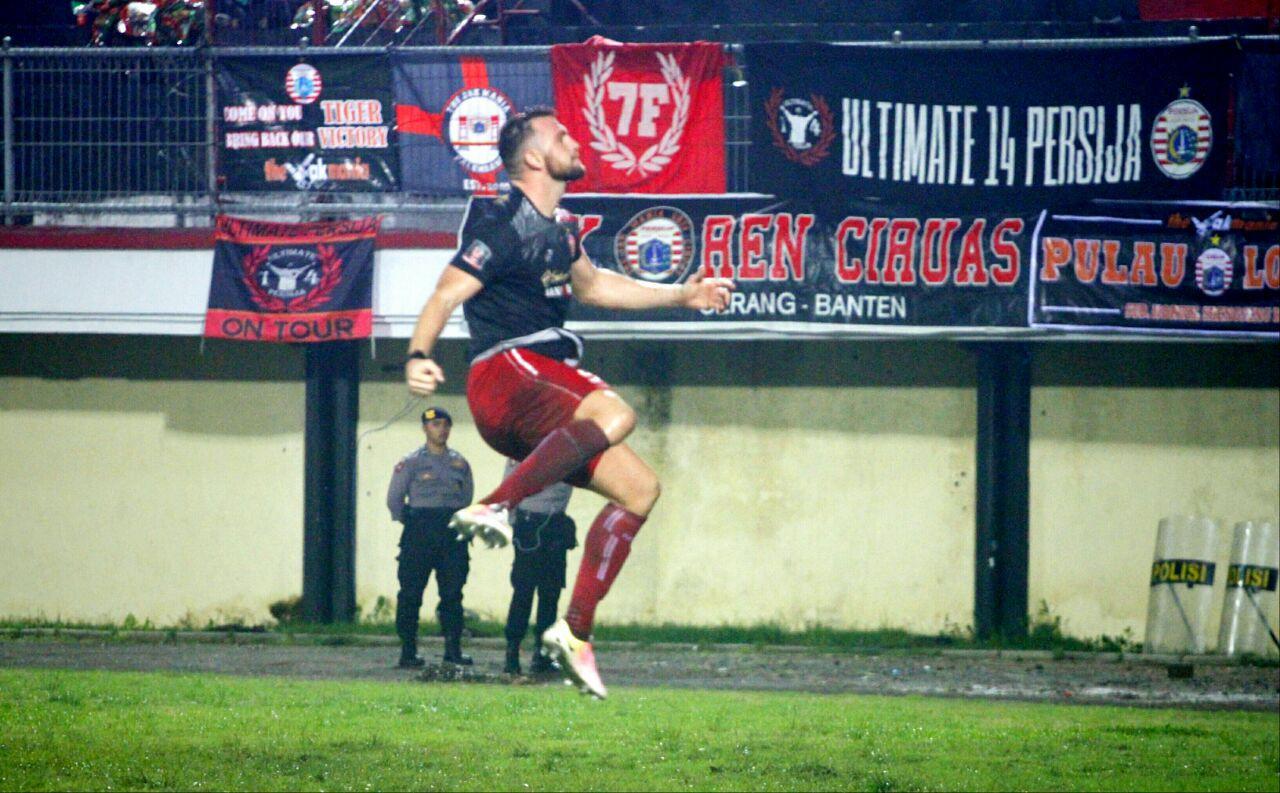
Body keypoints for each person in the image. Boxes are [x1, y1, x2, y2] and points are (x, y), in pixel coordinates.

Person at [403, 106, 734, 698]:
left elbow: (597, 285)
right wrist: (418, 354)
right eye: (561, 136)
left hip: (539, 388)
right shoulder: (503, 222)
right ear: (533, 158)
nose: (575, 140)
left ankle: (574, 633)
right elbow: (445, 293)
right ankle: (496, 506)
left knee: (640, 491)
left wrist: (684, 294)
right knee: (616, 412)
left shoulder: (562, 228)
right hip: (506, 370)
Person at [385, 407, 475, 669]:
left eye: (446, 424)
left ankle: (453, 651)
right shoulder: (411, 462)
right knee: (411, 594)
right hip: (419, 533)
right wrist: (413, 523)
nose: (442, 429)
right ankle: (408, 652)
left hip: (450, 533)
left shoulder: (460, 463)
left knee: (452, 594)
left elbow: (466, 498)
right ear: (425, 428)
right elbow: (394, 500)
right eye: (435, 424)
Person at [501, 458, 577, 676]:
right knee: (523, 592)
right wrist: (517, 524)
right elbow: (509, 489)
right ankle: (512, 653)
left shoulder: (569, 447)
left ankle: (542, 656)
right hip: (529, 523)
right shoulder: (522, 447)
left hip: (556, 524)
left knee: (550, 594)